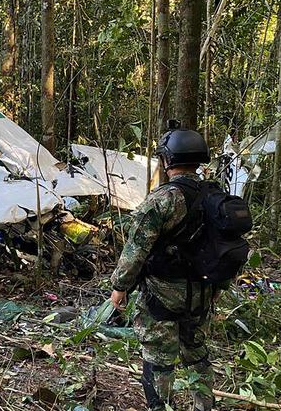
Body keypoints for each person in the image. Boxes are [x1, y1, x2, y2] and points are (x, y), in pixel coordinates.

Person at [109, 127, 221, 411]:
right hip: (203, 291)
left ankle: (161, 407)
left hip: (163, 294)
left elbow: (135, 250)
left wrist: (119, 287)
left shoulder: (164, 199)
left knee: (159, 358)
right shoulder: (215, 195)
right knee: (196, 353)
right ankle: (204, 406)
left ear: (168, 159)